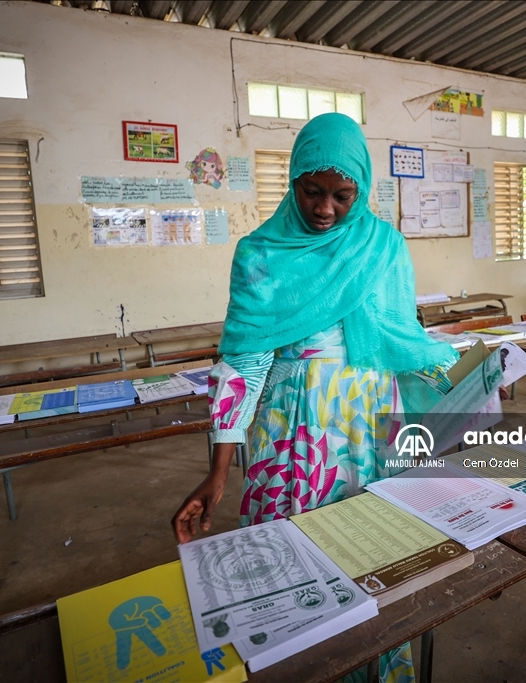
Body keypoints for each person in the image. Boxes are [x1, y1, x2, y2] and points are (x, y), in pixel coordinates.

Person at [172, 113, 459, 683]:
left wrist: (462, 372)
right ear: (293, 182)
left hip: (370, 421)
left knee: (376, 554)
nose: (326, 208)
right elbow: (243, 365)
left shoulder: (383, 245)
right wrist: (219, 473)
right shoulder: (261, 253)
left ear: (362, 190)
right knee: (294, 561)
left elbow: (401, 338)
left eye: (342, 195)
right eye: (312, 191)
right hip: (293, 432)